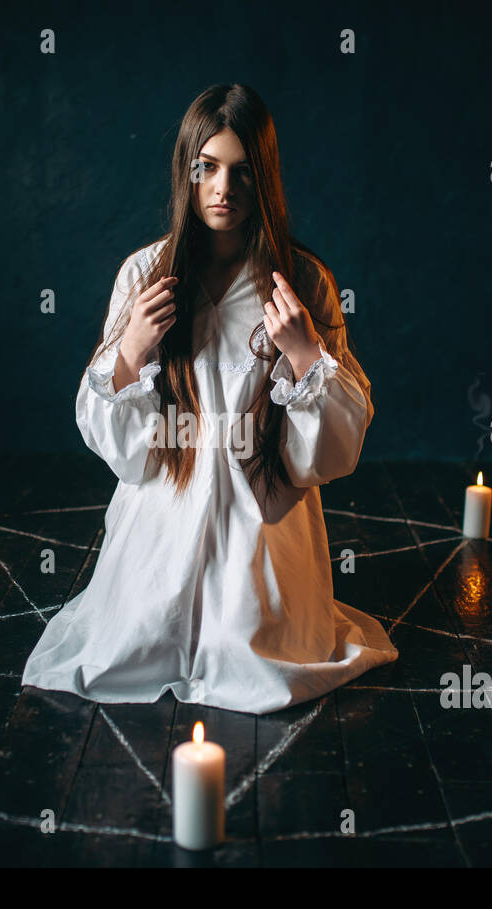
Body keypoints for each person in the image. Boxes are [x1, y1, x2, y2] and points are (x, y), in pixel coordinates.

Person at [21, 83, 397, 714]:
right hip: (164, 512)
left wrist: (306, 354)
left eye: (242, 172)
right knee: (139, 637)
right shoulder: (145, 273)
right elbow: (123, 449)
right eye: (207, 169)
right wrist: (131, 350)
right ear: (187, 173)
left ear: (264, 178)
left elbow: (331, 455)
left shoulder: (303, 280)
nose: (223, 189)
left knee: (247, 649)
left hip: (264, 523)